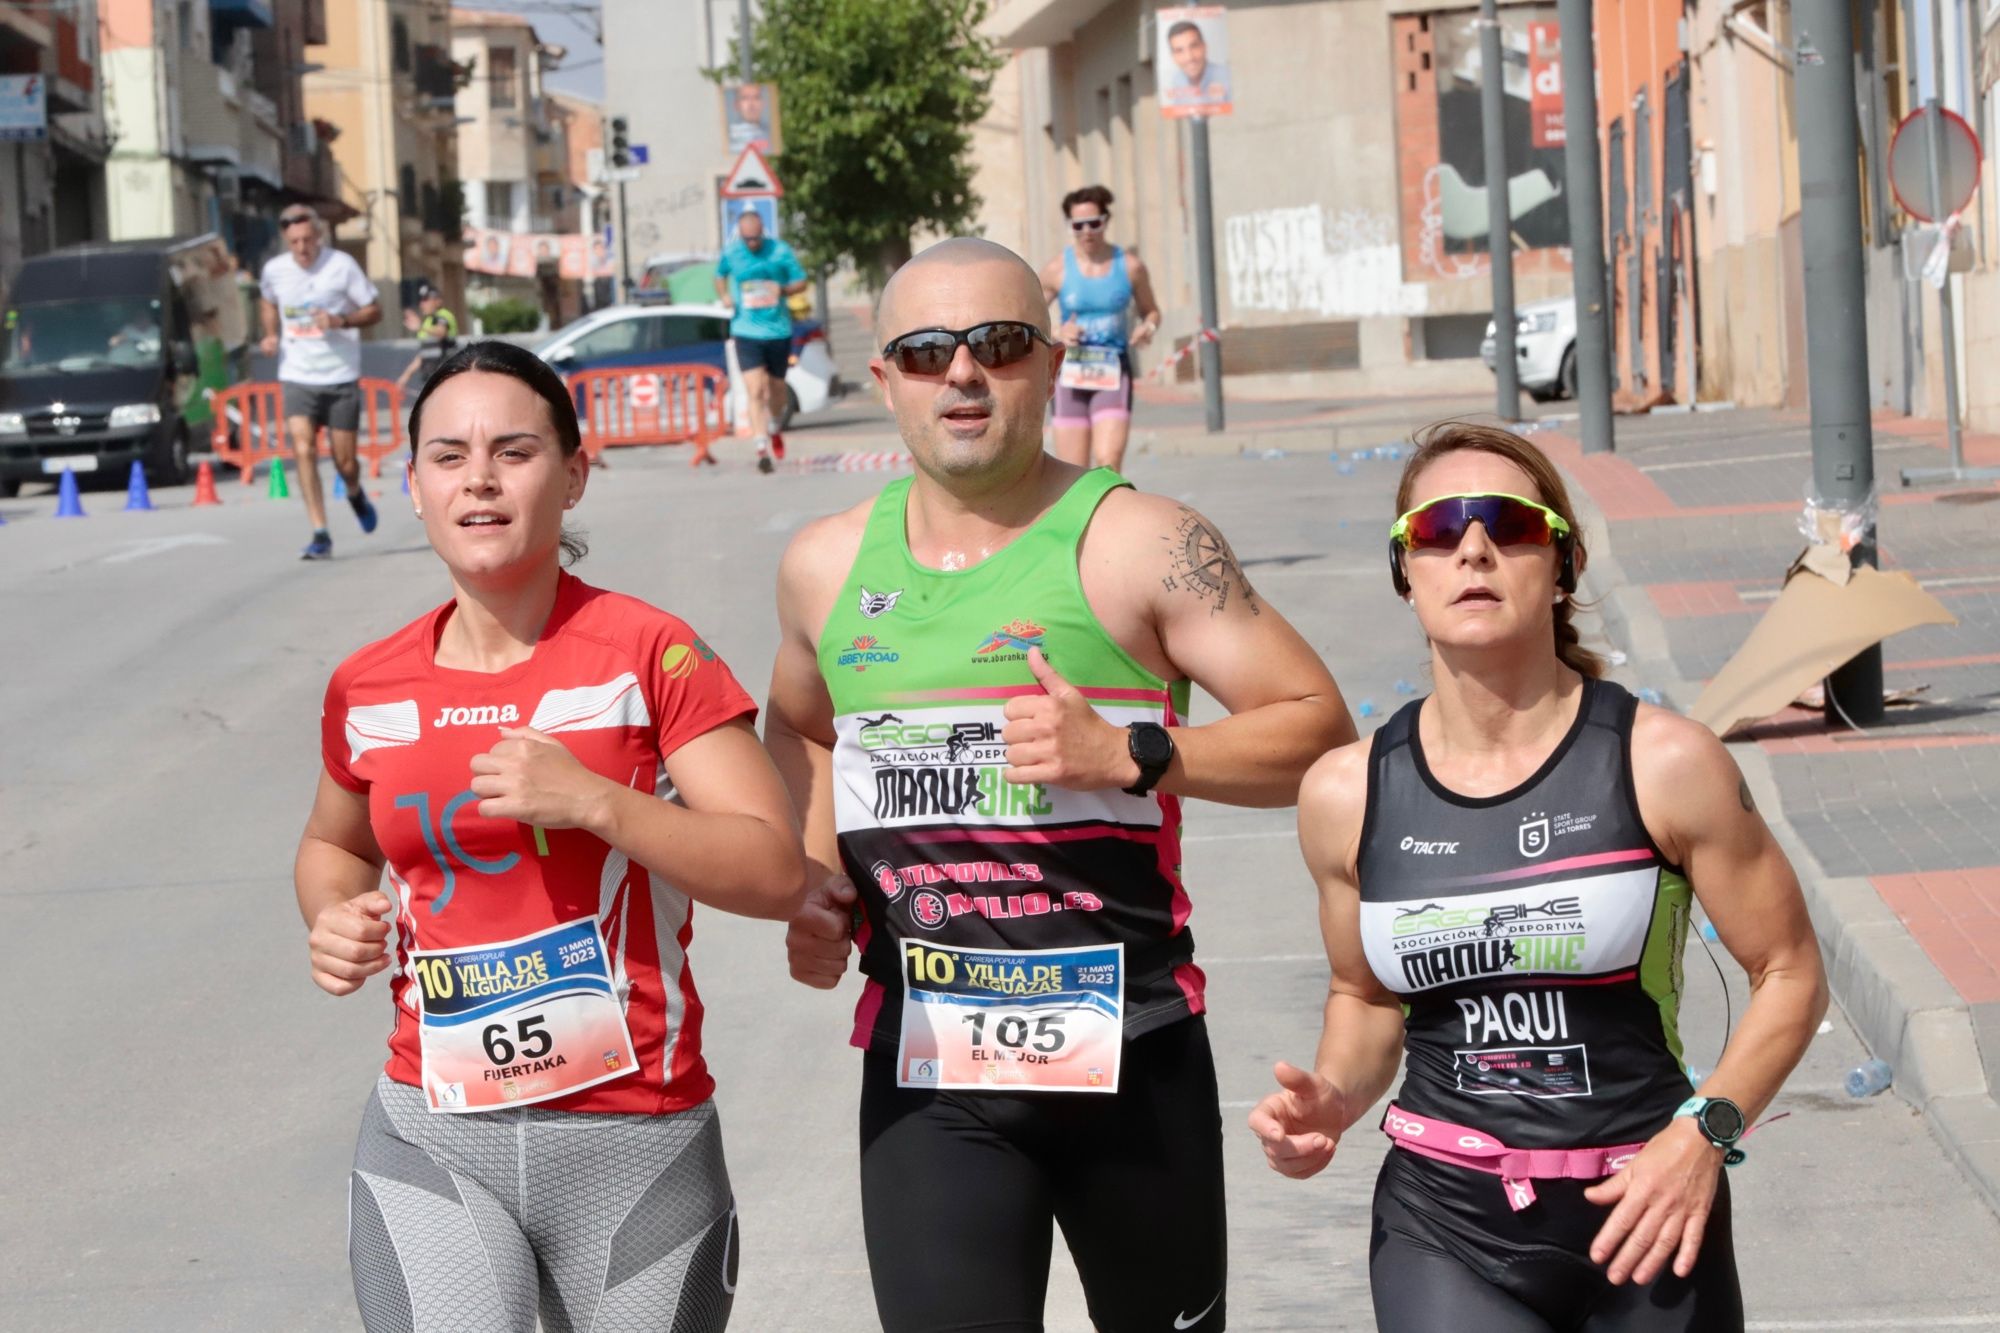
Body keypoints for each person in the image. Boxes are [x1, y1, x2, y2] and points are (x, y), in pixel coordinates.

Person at [765, 236, 1355, 1332]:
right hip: (930, 1063)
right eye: (926, 350)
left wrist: (1135, 753)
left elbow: (1318, 728)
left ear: (1047, 363)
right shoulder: (823, 566)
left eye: (995, 344)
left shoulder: (1138, 541)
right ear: (884, 377)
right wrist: (814, 877)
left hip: (1130, 1052)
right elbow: (802, 727)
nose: (962, 374)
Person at [1248, 422, 1828, 1332]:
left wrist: (1707, 1132)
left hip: (1649, 1206)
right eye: (1438, 531)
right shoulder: (1347, 790)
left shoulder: (1663, 760)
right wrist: (1333, 1094)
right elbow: (1362, 1000)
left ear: (1561, 564)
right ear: (1408, 574)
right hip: (1446, 1221)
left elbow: (1790, 971)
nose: (1473, 547)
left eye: (1509, 524)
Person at [294, 340, 806, 1331]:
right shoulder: (368, 682)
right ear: (412, 486)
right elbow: (332, 844)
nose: (478, 478)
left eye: (514, 451)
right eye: (448, 455)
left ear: (574, 474)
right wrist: (333, 913)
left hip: (634, 1144)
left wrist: (600, 802)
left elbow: (771, 867)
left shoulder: (649, 651)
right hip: (431, 1132)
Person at [259, 205, 384, 560]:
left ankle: (355, 491)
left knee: (345, 462)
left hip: (340, 374)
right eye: (295, 241)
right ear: (287, 240)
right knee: (303, 448)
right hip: (297, 374)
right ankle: (320, 531)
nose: (302, 248)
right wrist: (270, 335)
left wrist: (340, 320)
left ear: (319, 236)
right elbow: (267, 301)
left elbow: (375, 310)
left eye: (308, 239)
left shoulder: (341, 265)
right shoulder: (275, 270)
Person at [1037, 186, 1162, 474]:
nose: (1087, 232)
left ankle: (1106, 519)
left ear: (1106, 220)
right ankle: (1078, 520)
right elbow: (1030, 314)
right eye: (1078, 226)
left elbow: (1151, 310)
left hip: (1113, 372)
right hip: (1070, 375)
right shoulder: (1057, 269)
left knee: (1108, 461)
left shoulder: (1130, 267)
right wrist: (1056, 331)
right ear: (1070, 226)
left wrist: (1148, 326)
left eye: (1094, 223)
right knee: (1071, 471)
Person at [714, 209, 809, 474]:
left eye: (755, 238)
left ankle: (775, 426)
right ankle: (760, 449)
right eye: (747, 239)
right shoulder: (732, 252)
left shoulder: (780, 251)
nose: (752, 243)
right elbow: (718, 275)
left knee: (777, 390)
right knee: (755, 390)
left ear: (762, 233)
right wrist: (724, 296)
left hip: (778, 331)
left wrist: (784, 289)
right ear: (741, 236)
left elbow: (800, 281)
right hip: (746, 331)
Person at [394, 281, 459, 393]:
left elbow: (441, 332)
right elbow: (424, 354)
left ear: (438, 301)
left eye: (426, 300)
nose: (422, 304)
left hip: (446, 376)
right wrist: (405, 376)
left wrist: (420, 328)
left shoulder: (443, 315)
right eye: (421, 300)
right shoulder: (427, 322)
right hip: (431, 377)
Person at [1163, 20, 1231, 110]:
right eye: (1179, 51)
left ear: (1204, 47)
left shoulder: (1226, 77)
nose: (1189, 58)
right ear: (1173, 57)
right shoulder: (1177, 80)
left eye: (1194, 46)